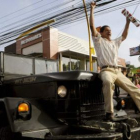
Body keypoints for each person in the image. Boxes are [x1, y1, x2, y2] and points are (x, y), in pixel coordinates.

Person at [90, 2, 140, 121]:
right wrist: (92, 9)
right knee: (107, 82)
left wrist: (127, 22)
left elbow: (124, 35)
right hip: (106, 70)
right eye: (106, 30)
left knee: (134, 89)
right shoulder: (98, 41)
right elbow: (92, 27)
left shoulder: (114, 43)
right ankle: (109, 113)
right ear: (101, 33)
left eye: (110, 30)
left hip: (117, 71)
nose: (109, 32)